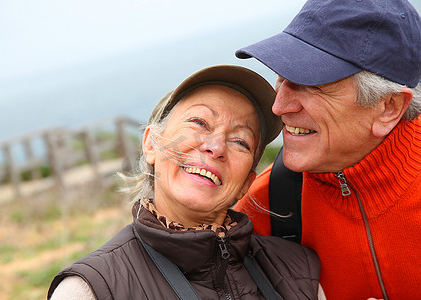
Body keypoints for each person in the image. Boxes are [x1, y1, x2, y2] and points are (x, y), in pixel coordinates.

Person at [47, 65, 324, 299]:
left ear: (246, 183)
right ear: (151, 144)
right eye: (199, 122)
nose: (216, 147)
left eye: (240, 141)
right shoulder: (91, 289)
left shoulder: (297, 271)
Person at [233, 0, 421, 300]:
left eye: (310, 84)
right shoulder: (263, 204)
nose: (279, 106)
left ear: (388, 107)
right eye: (281, 78)